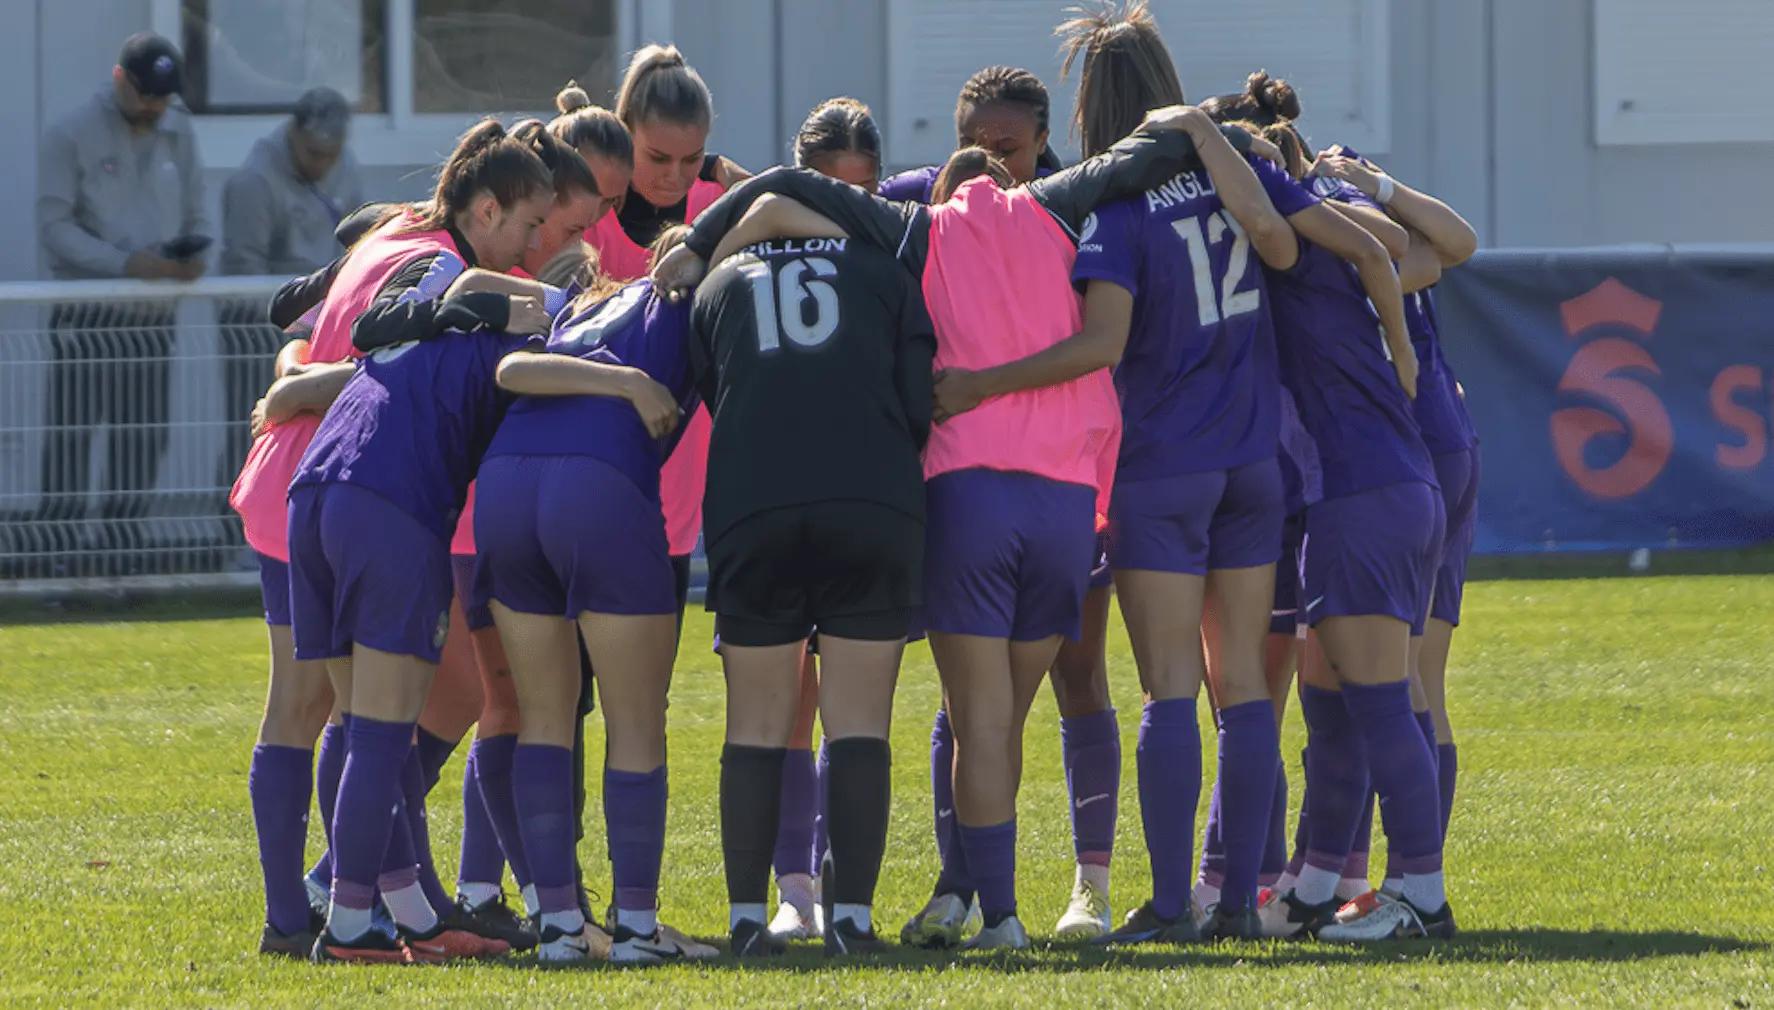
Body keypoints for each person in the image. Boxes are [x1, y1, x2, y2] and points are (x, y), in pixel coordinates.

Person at [659, 104, 1249, 951]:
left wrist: (699, 238)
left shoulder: (920, 232)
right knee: (1020, 710)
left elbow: (787, 190)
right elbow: (1139, 159)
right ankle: (1065, 889)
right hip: (1060, 501)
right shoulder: (1053, 206)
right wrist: (1203, 122)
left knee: (974, 715)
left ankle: (989, 911)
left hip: (961, 492)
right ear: (1011, 175)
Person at [286, 119, 557, 964]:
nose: (534, 245)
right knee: (382, 731)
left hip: (316, 493)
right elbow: (528, 367)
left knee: (353, 726)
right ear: (484, 208)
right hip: (389, 507)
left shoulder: (428, 278)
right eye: (528, 226)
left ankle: (399, 905)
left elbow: (367, 335)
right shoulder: (500, 318)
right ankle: (354, 921)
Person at [881, 64, 1127, 944]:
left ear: (1043, 137)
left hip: (1006, 491)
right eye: (979, 147)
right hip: (1067, 491)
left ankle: (1041, 899)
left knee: (1032, 700)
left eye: (1011, 147)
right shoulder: (1046, 209)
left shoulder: (1066, 205)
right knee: (985, 714)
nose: (996, 161)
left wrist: (977, 387)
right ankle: (968, 888)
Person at [1199, 111, 1453, 943]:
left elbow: (1280, 224)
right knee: (1336, 705)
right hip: (1386, 488)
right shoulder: (1339, 245)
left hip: (1359, 493)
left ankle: (1422, 894)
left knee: (1380, 703)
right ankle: (1312, 888)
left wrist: (1204, 140)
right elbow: (1403, 249)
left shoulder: (1293, 248)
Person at [672, 196, 935, 960]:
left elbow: (714, 393)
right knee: (858, 722)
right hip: (871, 499)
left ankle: (749, 921)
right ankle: (850, 919)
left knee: (753, 723)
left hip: (755, 502)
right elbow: (918, 403)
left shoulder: (720, 283)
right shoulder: (885, 272)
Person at [473, 229, 711, 964]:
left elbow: (512, 368)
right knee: (636, 720)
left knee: (546, 715)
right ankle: (636, 927)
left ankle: (559, 929)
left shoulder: (576, 312)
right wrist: (631, 383)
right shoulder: (695, 300)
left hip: (505, 485)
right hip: (598, 484)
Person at [760, 95, 885, 945]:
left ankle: (843, 889)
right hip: (772, 490)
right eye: (831, 191)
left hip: (861, 494)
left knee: (854, 708)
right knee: (783, 708)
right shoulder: (756, 239)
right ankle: (794, 889)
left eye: (861, 192)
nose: (847, 209)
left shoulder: (892, 240)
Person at [34, 32, 209, 570]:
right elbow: (54, 227)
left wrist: (192, 256)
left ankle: (122, 557)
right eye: (146, 95)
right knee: (73, 436)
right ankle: (58, 560)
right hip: (88, 313)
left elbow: (197, 214)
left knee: (143, 438)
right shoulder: (70, 133)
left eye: (163, 97)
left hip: (154, 316)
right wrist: (125, 264)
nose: (155, 107)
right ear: (119, 81)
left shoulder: (180, 133)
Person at [588, 44, 748, 610]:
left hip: (678, 456)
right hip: (584, 448)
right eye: (657, 158)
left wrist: (728, 181)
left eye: (691, 159)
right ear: (623, 130)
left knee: (651, 674)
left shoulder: (717, 201)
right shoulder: (589, 209)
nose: (675, 177)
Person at [221, 87, 364, 276]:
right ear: (293, 132)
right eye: (314, 154)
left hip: (329, 296)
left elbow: (359, 244)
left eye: (331, 155)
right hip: (273, 298)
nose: (322, 165)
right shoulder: (254, 181)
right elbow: (245, 270)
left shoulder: (346, 165)